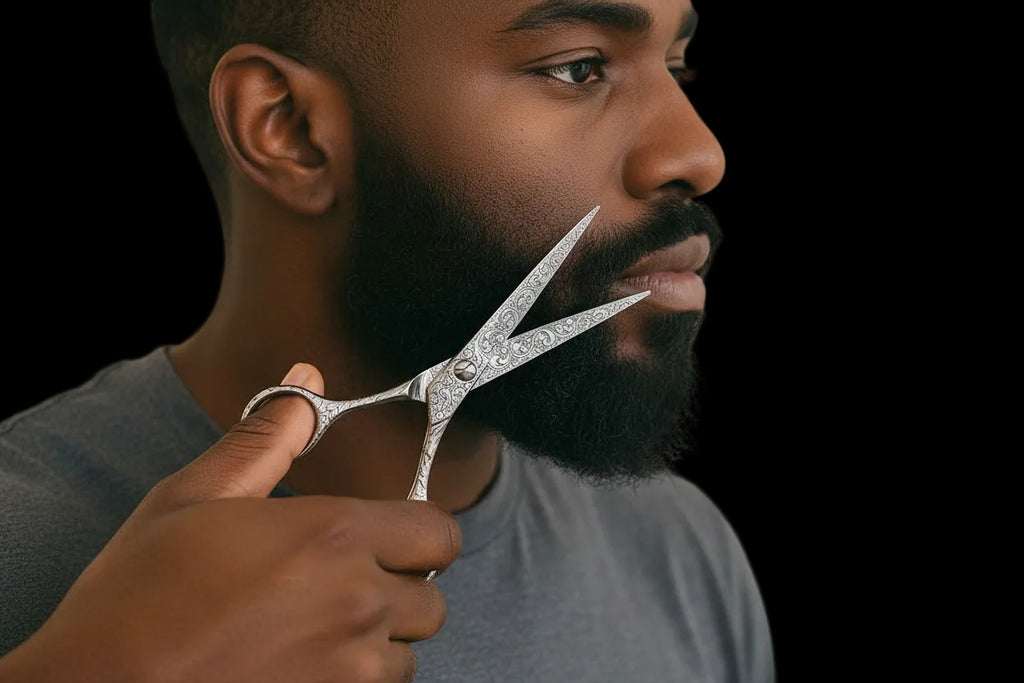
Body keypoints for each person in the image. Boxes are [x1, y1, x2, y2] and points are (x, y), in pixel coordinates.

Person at [0, 0, 775, 680]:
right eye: (577, 68)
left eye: (677, 64)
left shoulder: (680, 552)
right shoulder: (18, 539)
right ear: (290, 129)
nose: (699, 152)